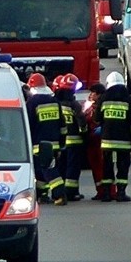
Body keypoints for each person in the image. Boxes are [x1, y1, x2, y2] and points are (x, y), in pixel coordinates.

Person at [94, 71, 131, 202]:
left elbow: (96, 119)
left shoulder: (103, 98)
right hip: (124, 141)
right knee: (123, 166)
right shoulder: (128, 99)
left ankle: (107, 193)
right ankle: (121, 193)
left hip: (107, 141)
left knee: (107, 167)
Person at [25, 73, 67, 205]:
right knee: (40, 171)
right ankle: (42, 195)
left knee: (48, 170)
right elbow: (62, 125)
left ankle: (60, 194)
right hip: (54, 144)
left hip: (39, 145)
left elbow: (29, 125)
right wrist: (62, 143)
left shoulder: (32, 103)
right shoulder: (54, 101)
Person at [54, 73, 87, 201]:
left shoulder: (56, 103)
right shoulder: (74, 105)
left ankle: (61, 191)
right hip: (75, 142)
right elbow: (81, 122)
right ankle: (72, 192)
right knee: (73, 168)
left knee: (61, 166)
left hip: (61, 142)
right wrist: (84, 133)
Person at [83, 83, 108, 200]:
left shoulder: (100, 106)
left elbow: (94, 120)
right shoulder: (92, 106)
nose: (90, 95)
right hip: (92, 141)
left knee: (101, 167)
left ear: (98, 94)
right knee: (96, 168)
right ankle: (100, 191)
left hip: (98, 141)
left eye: (93, 93)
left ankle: (107, 191)